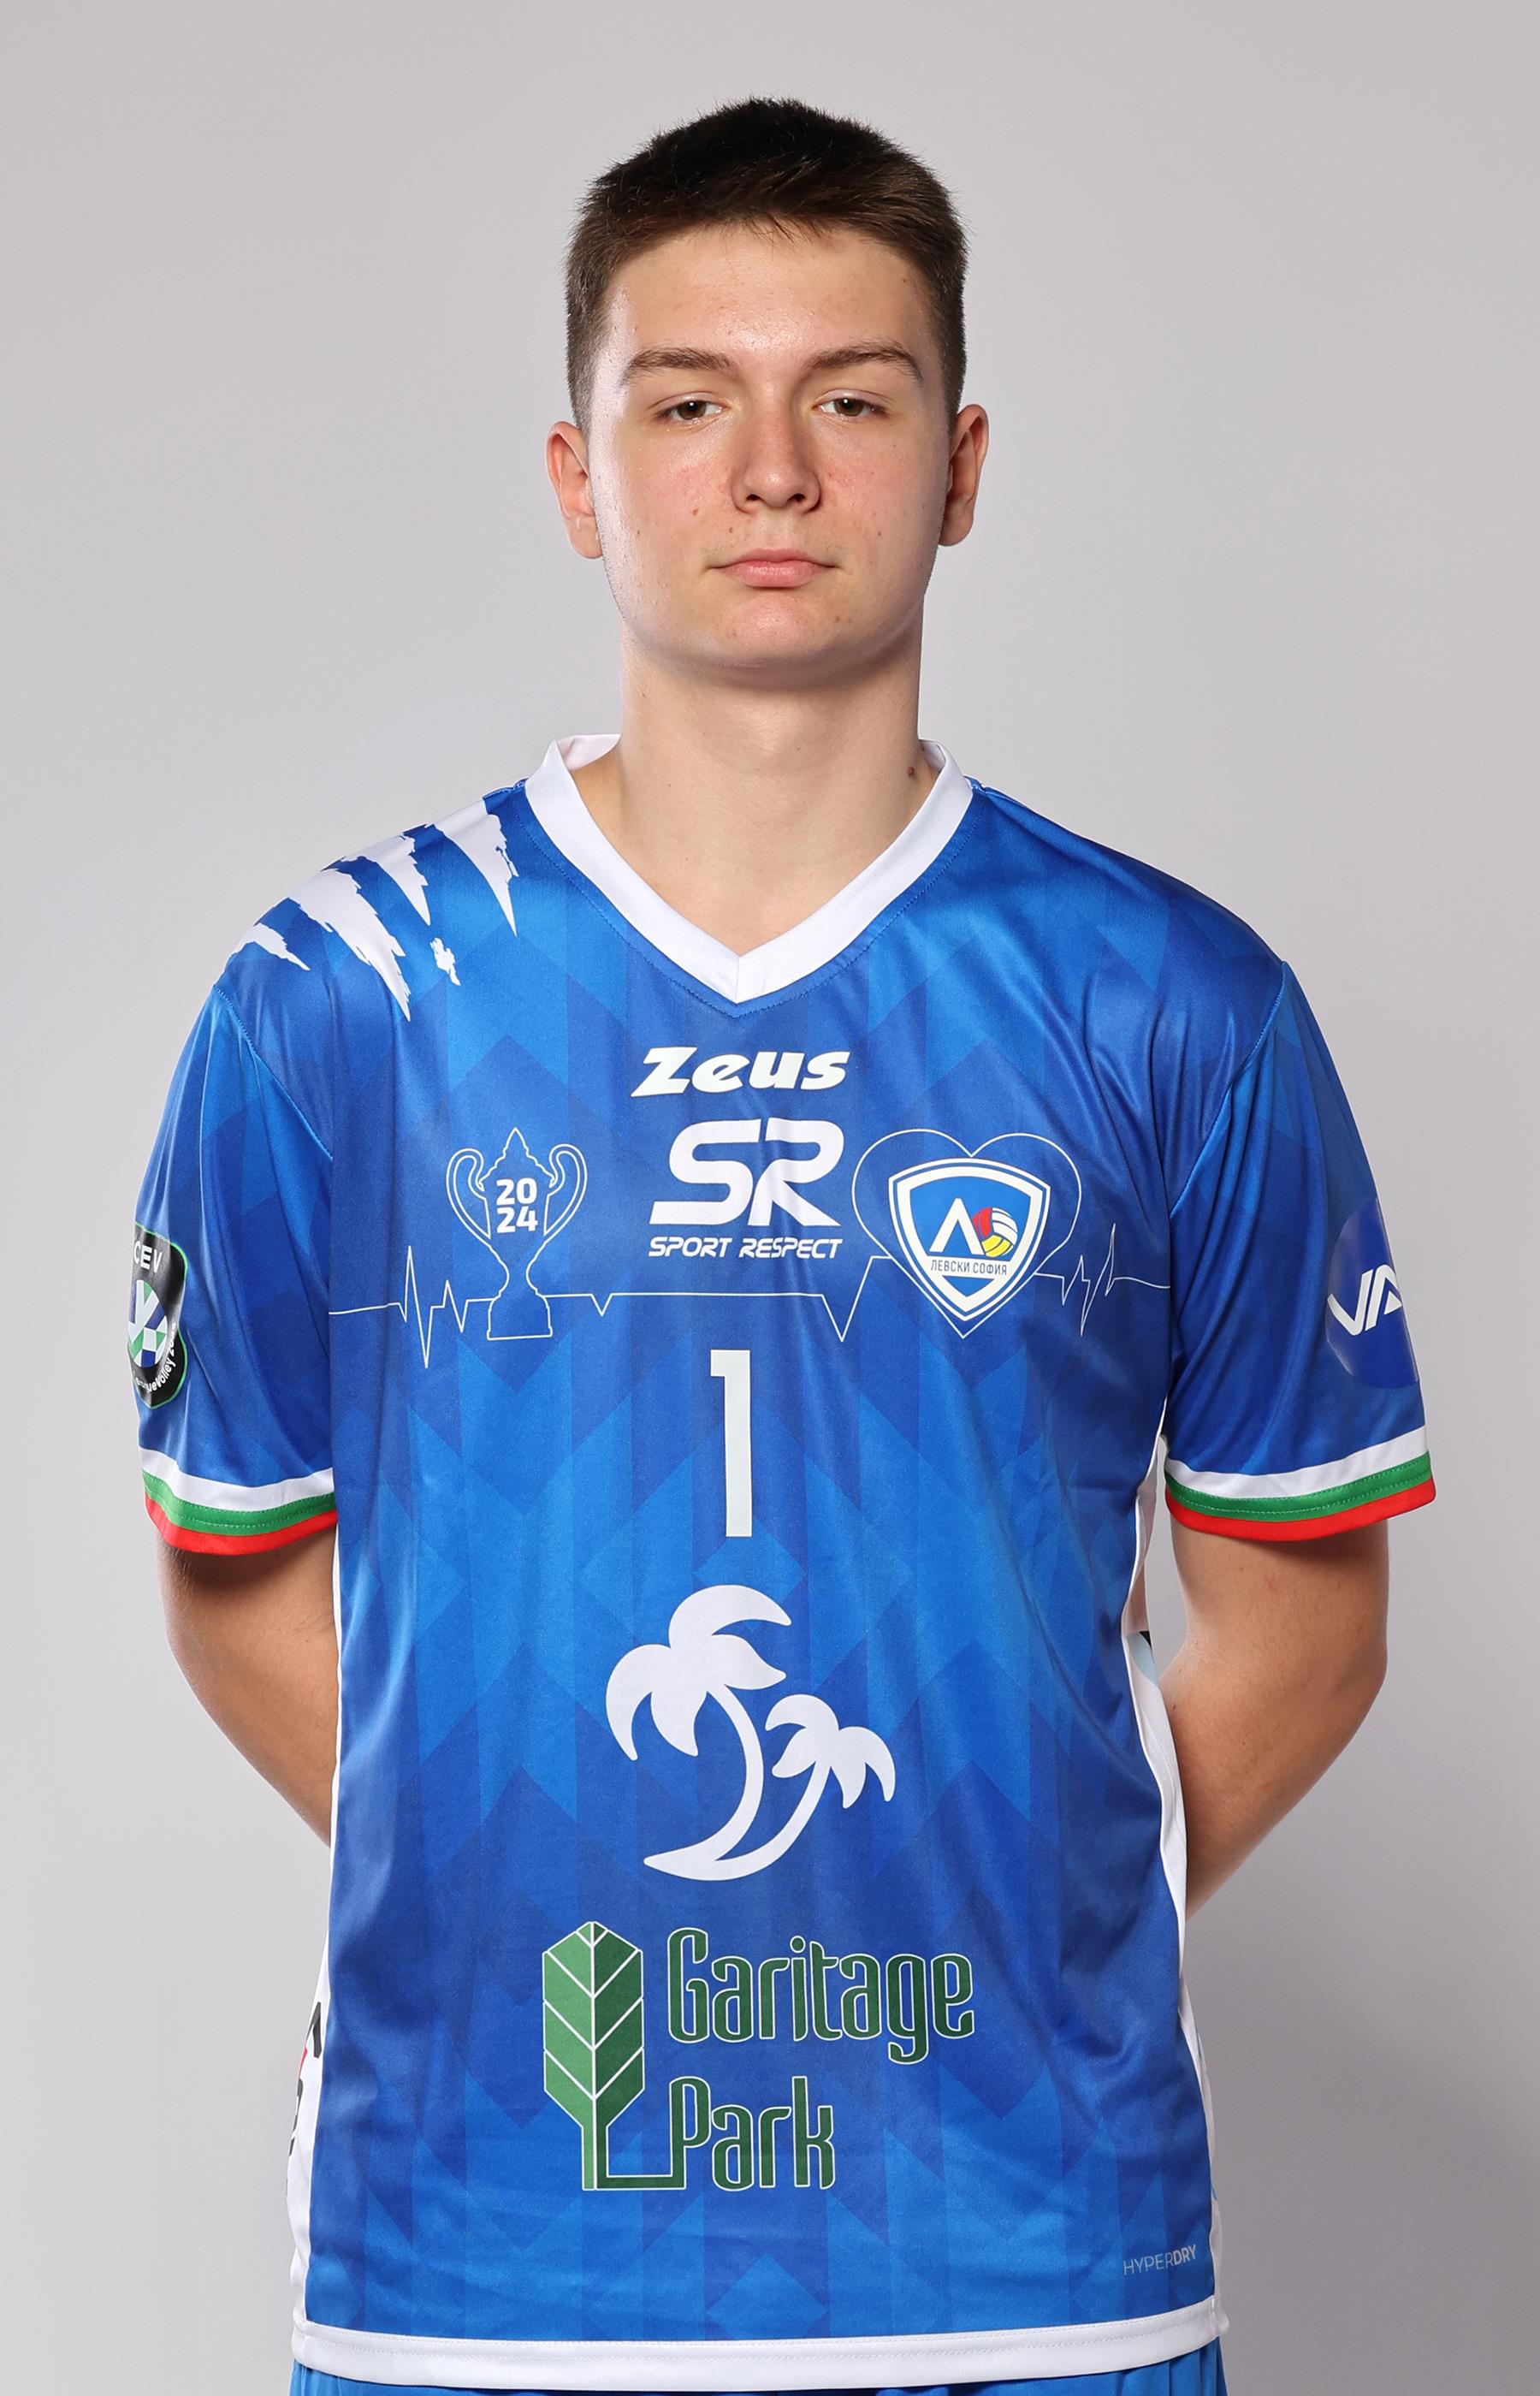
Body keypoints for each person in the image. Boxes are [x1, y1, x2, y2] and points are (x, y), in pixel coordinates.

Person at [129, 95, 1435, 2396]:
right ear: (577, 477)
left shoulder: (1173, 1003)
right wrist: (523, 1885)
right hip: (483, 2271)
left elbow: (1308, 1619)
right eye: (687, 404)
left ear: (962, 466)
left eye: (852, 399)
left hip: (1039, 2261)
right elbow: (235, 1576)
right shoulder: (341, 998)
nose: (770, 474)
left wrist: (1017, 1913)